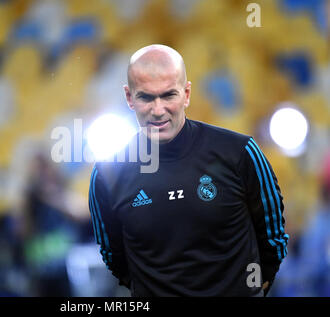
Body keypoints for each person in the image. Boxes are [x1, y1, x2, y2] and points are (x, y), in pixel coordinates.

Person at [88, 44, 289, 296]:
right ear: (129, 98)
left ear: (187, 93)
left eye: (169, 95)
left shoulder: (239, 152)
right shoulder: (108, 175)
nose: (158, 110)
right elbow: (113, 254)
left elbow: (273, 236)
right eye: (146, 97)